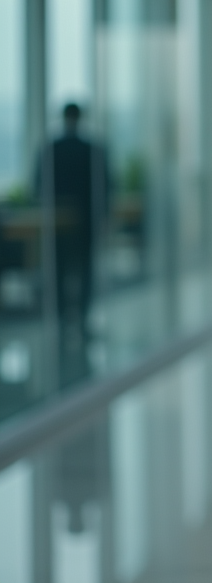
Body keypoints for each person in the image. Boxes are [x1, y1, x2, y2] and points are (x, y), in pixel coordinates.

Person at [39, 103, 108, 384]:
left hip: (56, 221)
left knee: (59, 270)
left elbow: (37, 184)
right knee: (85, 270)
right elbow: (106, 186)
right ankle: (80, 319)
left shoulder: (51, 148)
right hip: (85, 220)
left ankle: (59, 319)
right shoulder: (93, 149)